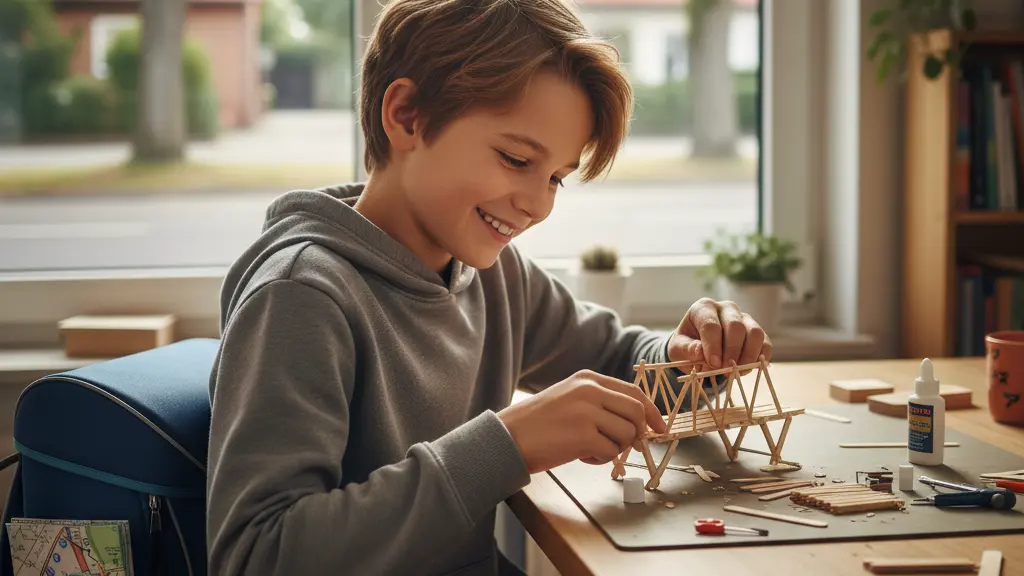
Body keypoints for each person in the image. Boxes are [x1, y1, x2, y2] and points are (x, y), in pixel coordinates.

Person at [205, 0, 772, 574]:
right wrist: (506, 446)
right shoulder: (301, 296)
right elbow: (258, 555)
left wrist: (686, 358)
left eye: (555, 178)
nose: (538, 203)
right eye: (515, 158)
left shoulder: (493, 275)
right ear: (406, 115)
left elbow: (618, 359)